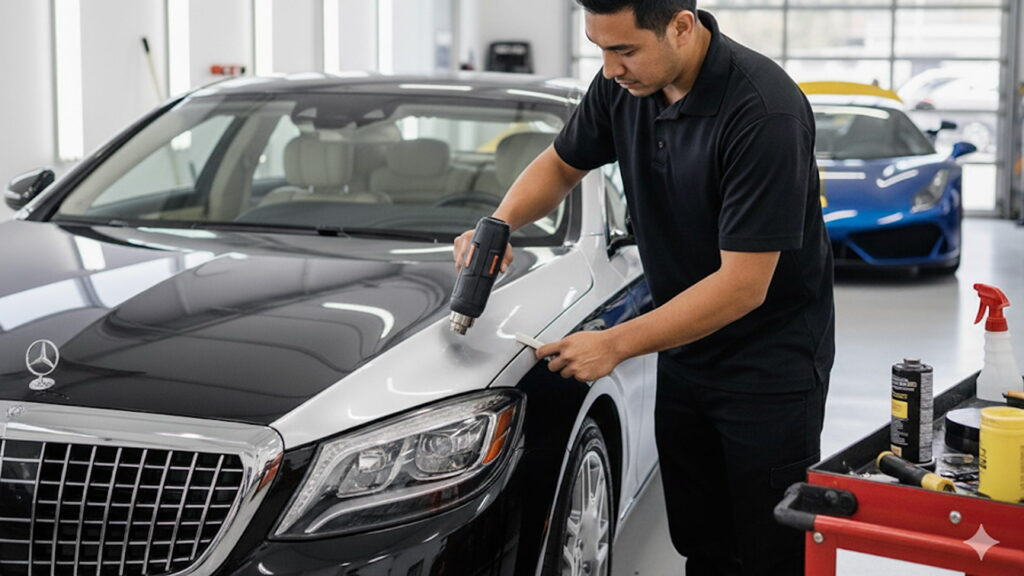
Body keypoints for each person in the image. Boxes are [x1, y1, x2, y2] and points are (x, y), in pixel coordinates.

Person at [453, 1, 834, 574]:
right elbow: (561, 165)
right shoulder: (623, 88)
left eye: (624, 49)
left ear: (682, 25)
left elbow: (742, 287)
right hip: (684, 354)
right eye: (599, 48)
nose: (609, 69)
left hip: (769, 366)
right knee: (701, 539)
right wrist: (500, 222)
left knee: (771, 549)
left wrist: (615, 343)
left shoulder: (763, 112)